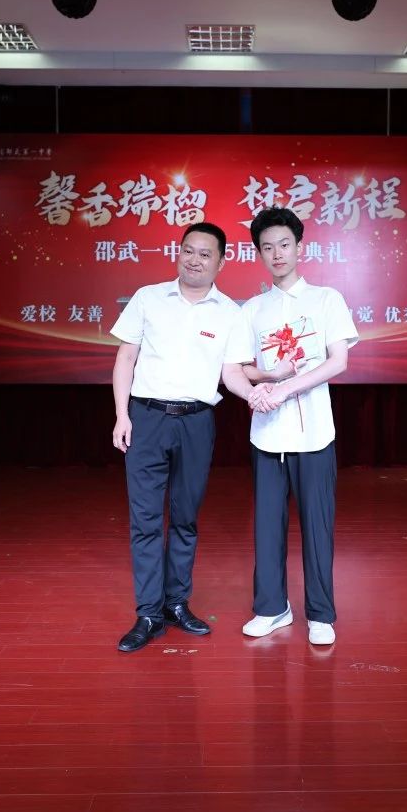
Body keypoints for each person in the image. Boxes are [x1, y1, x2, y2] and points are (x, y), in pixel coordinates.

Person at [109, 221, 252, 653]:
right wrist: (121, 416)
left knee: (186, 518)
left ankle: (176, 603)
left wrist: (261, 390)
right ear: (178, 253)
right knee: (146, 521)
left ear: (221, 262)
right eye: (188, 250)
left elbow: (231, 373)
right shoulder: (148, 298)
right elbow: (125, 358)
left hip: (196, 422)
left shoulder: (230, 313)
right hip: (146, 418)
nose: (194, 260)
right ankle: (148, 613)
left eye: (205, 254)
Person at [221, 206, 358, 646]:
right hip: (267, 435)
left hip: (315, 434)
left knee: (317, 526)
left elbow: (338, 361)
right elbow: (233, 371)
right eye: (267, 247)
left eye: (284, 244)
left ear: (300, 247)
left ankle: (321, 614)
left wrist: (285, 389)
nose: (277, 253)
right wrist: (254, 393)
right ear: (259, 254)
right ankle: (271, 608)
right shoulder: (252, 309)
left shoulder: (326, 299)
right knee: (267, 526)